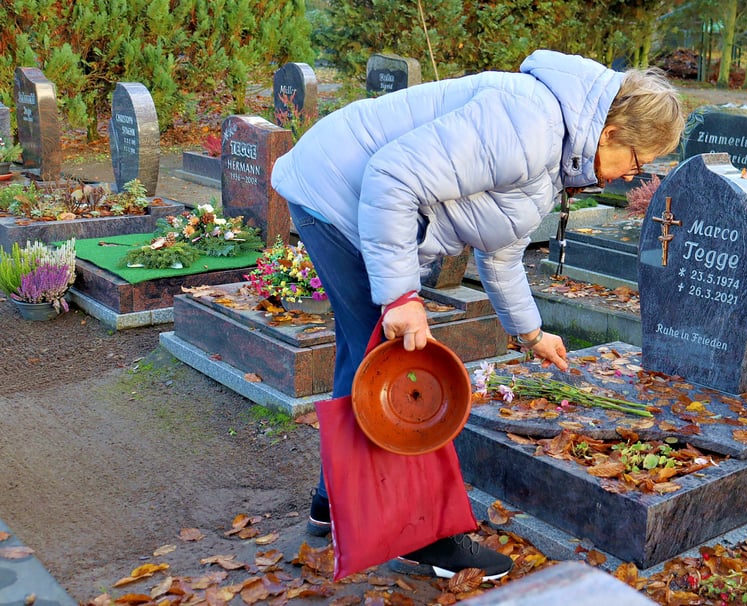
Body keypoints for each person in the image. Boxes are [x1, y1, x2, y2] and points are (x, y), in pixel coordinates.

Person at [270, 49, 684, 580]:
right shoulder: (532, 124)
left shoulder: (554, 153)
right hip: (340, 198)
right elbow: (393, 176)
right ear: (610, 132)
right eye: (637, 159)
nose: (634, 174)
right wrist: (401, 297)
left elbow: (502, 250)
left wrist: (530, 333)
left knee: (362, 356)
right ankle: (423, 534)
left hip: (341, 198)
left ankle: (332, 503)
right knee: (393, 373)